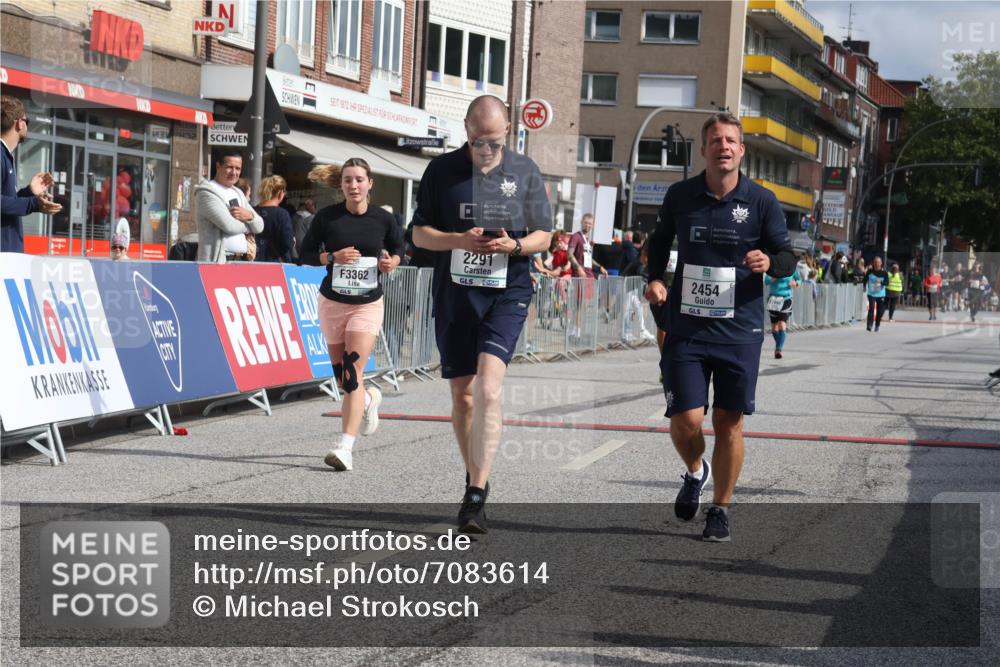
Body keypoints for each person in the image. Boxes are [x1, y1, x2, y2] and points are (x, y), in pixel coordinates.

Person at [644, 112, 796, 542]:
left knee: (729, 420)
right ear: (704, 149)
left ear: (741, 150)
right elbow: (658, 243)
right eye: (716, 140)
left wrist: (770, 262)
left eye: (731, 140)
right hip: (687, 327)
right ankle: (696, 470)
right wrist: (655, 279)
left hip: (740, 330)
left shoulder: (761, 201)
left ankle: (720, 509)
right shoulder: (680, 195)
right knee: (685, 419)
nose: (723, 147)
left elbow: (787, 255)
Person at [411, 95, 553, 533]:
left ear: (507, 130)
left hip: (506, 293)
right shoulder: (441, 171)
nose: (485, 149)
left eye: (492, 141)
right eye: (476, 141)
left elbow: (544, 236)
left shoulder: (525, 172)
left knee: (489, 389)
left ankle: (475, 491)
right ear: (466, 132)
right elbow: (419, 234)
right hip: (455, 295)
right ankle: (475, 477)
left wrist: (513, 245)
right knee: (464, 396)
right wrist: (457, 240)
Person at [300, 159, 403, 471]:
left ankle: (345, 447)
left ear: (370, 183)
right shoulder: (327, 218)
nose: (353, 185)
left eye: (359, 179)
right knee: (344, 380)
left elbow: (400, 249)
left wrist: (392, 263)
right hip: (332, 302)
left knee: (352, 371)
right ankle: (369, 400)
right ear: (340, 185)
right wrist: (332, 256)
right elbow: (303, 254)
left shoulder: (384, 219)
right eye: (348, 180)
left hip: (367, 303)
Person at [1, 96, 61, 252]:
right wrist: (34, 204)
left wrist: (29, 192)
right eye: (27, 122)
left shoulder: (6, 155)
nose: (26, 126)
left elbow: (7, 205)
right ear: (20, 123)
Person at [195, 149, 263, 263]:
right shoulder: (205, 192)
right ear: (218, 166)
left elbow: (260, 226)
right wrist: (250, 225)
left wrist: (250, 216)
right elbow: (229, 226)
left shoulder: (238, 193)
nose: (234, 172)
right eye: (229, 167)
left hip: (243, 260)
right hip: (217, 262)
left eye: (238, 168)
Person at [253, 175, 295, 262]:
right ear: (280, 193)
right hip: (275, 264)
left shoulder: (252, 211)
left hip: (251, 262)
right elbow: (287, 243)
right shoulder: (282, 214)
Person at [765, 272, 798, 358]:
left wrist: (796, 283)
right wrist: (773, 278)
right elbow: (766, 281)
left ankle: (778, 349)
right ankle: (779, 344)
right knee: (774, 328)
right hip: (773, 300)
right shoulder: (773, 267)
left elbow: (798, 279)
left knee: (782, 324)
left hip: (786, 299)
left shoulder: (792, 267)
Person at [569, 214, 608, 278]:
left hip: (589, 275)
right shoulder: (576, 236)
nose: (587, 225)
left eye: (590, 224)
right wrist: (579, 268)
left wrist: (600, 267)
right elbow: (569, 254)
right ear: (581, 222)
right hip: (579, 276)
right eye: (585, 223)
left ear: (592, 225)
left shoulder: (587, 240)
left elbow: (588, 258)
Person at [865, 256, 889, 332]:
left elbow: (887, 283)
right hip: (871, 293)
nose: (876, 264)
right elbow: (865, 279)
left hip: (880, 294)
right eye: (875, 262)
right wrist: (864, 286)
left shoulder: (884, 273)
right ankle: (869, 325)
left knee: (879, 311)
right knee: (871, 308)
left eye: (878, 262)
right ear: (873, 263)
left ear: (881, 263)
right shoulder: (870, 271)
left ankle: (877, 325)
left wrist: (881, 282)